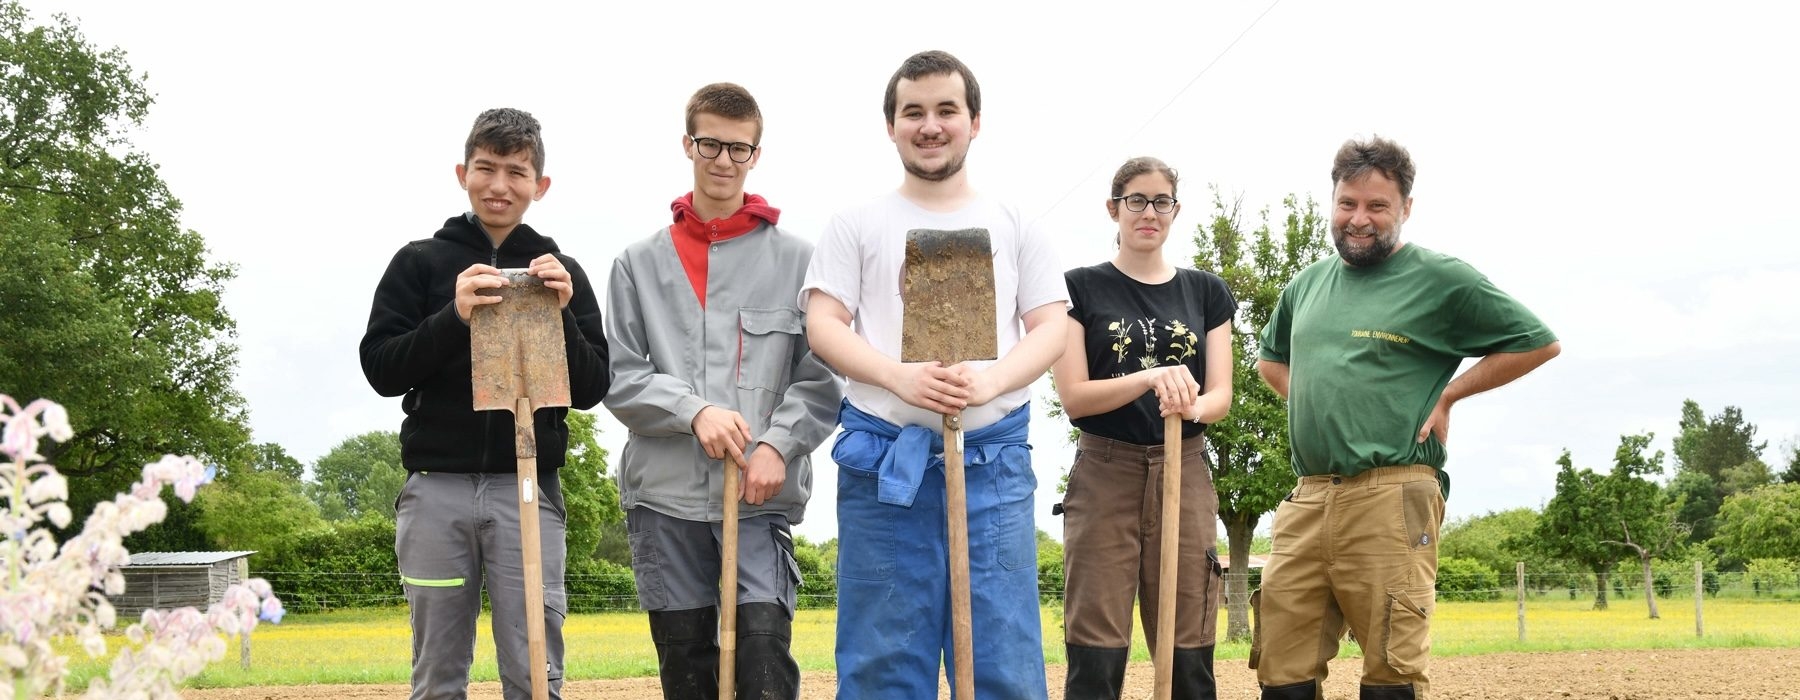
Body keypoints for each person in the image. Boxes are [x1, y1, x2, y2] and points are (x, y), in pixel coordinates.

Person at [801, 49, 1068, 699]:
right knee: (883, 656)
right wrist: (898, 377)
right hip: (886, 464)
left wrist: (993, 380)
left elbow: (1052, 327)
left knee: (1001, 650)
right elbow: (824, 324)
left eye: (946, 109)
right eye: (912, 111)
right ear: (890, 126)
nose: (930, 125)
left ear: (975, 121)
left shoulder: (1014, 223)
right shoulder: (855, 224)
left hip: (993, 466)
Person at [1252, 136, 1560, 700]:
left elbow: (1536, 342)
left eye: (1377, 206)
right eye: (1348, 203)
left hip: (1390, 495)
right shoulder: (1307, 284)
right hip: (1307, 497)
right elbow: (1271, 361)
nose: (1359, 219)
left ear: (1406, 209)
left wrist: (1450, 395)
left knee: (1391, 670)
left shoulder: (1441, 279)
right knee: (1280, 667)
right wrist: (1319, 399)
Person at [360, 108, 611, 700]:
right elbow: (381, 368)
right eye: (486, 168)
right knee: (438, 668)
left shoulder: (563, 272)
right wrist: (455, 315)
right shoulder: (419, 262)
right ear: (462, 173)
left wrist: (564, 313)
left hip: (527, 487)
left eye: (517, 172)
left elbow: (594, 386)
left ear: (539, 185)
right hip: (434, 488)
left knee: (532, 665)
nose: (500, 185)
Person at [602, 82, 840, 700]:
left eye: (739, 148)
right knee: (688, 670)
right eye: (710, 144)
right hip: (665, 499)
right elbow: (619, 376)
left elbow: (820, 377)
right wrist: (692, 411)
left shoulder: (798, 262)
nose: (723, 160)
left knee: (763, 660)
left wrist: (777, 447)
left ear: (756, 155)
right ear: (688, 144)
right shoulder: (637, 264)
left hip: (759, 497)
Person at [1052, 157, 1234, 700]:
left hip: (1186, 467)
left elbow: (1220, 394)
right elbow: (1075, 397)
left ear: (1175, 211)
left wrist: (1190, 406)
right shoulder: (1078, 290)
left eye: (1161, 201)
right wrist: (1150, 378)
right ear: (1114, 208)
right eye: (1136, 200)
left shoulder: (1206, 292)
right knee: (1096, 647)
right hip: (1106, 470)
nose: (1148, 212)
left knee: (1188, 651)